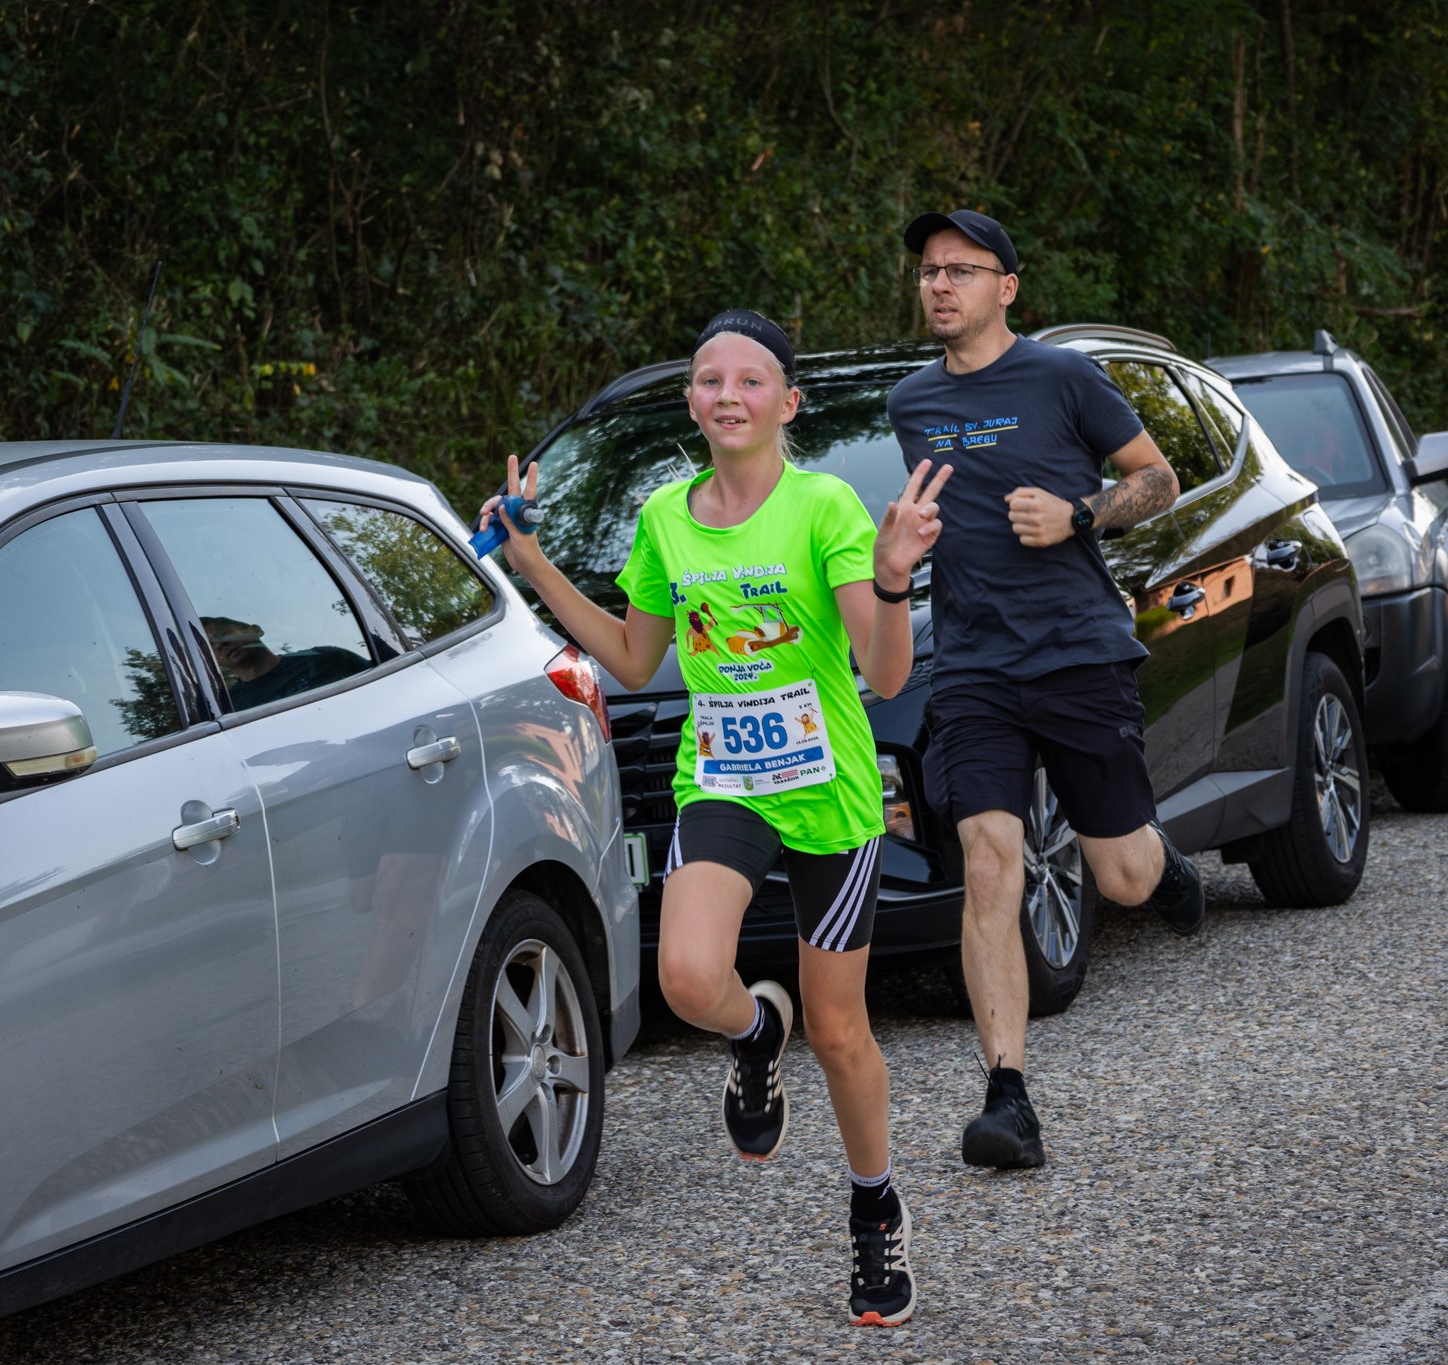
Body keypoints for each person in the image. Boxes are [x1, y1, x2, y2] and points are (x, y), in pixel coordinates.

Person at [481, 309, 949, 1328]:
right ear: (691, 401)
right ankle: (750, 1030)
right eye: (707, 380)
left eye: (748, 381)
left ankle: (873, 1208)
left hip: (829, 798)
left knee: (838, 1030)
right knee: (688, 977)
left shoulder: (822, 506)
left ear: (785, 403)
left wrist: (893, 573)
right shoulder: (664, 517)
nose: (725, 395)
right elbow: (635, 659)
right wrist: (529, 561)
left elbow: (885, 673)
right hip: (724, 783)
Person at [884, 210, 1208, 1172]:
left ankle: (1165, 862)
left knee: (1123, 877)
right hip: (976, 664)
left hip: (1077, 651)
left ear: (1007, 287)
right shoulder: (909, 402)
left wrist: (1078, 513)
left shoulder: (1065, 378)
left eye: (962, 270)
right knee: (990, 856)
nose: (940, 285)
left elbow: (1160, 479)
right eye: (929, 271)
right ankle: (1007, 1098)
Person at [199, 615, 366, 710]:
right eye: (211, 645)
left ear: (255, 630)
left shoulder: (326, 658)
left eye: (223, 634)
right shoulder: (231, 706)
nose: (220, 644)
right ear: (213, 661)